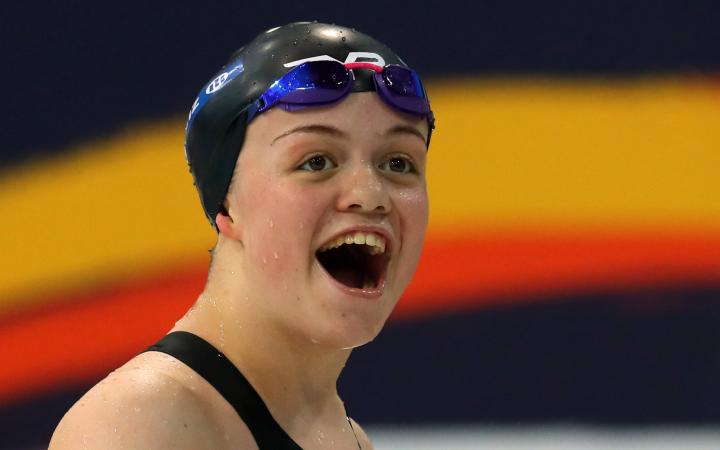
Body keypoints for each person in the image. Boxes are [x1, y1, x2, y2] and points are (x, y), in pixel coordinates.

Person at [49, 21, 433, 449]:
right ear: (227, 205)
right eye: (317, 161)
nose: (370, 194)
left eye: (398, 163)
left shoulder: (347, 439)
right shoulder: (148, 423)